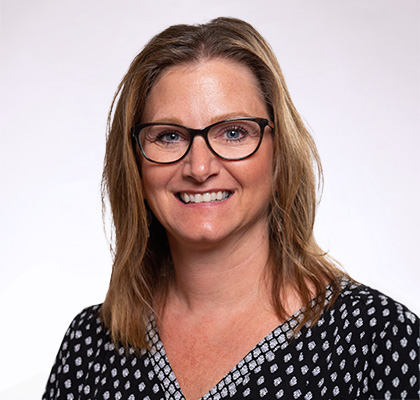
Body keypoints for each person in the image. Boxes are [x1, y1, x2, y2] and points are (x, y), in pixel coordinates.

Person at [43, 17, 419, 400]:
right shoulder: (88, 346)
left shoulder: (380, 340)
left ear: (279, 153)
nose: (200, 168)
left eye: (234, 132)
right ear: (135, 164)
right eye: (169, 136)